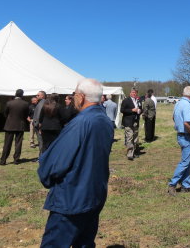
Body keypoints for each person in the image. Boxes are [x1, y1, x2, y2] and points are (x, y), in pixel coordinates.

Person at [38, 78, 113, 247]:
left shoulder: (80, 123)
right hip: (95, 194)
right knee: (84, 242)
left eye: (74, 95)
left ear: (80, 97)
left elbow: (54, 163)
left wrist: (45, 176)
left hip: (71, 199)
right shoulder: (106, 121)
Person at [167, 86, 190, 196]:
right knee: (185, 162)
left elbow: (174, 117)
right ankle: (172, 184)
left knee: (188, 161)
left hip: (180, 135)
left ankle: (186, 185)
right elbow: (187, 123)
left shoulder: (178, 103)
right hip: (187, 136)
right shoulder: (187, 105)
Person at [0, 89, 29, 165]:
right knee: (18, 144)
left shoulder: (9, 103)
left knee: (7, 144)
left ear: (15, 94)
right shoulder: (25, 104)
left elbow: (5, 113)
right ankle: (16, 160)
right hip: (20, 125)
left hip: (9, 125)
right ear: (22, 95)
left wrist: (10, 119)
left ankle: (3, 160)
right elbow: (26, 115)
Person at [120, 88, 142, 160]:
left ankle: (134, 152)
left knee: (135, 138)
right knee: (130, 137)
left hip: (135, 121)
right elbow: (122, 110)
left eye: (135, 93)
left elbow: (141, 109)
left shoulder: (138, 100)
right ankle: (130, 154)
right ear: (130, 93)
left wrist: (139, 111)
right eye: (132, 92)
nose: (134, 94)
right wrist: (131, 110)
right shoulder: (126, 100)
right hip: (128, 121)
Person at [32, 90, 46, 155]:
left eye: (38, 95)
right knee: (41, 142)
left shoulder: (42, 103)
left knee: (41, 142)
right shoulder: (41, 102)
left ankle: (41, 156)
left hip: (39, 126)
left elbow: (39, 115)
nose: (36, 96)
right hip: (39, 125)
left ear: (42, 96)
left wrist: (37, 124)